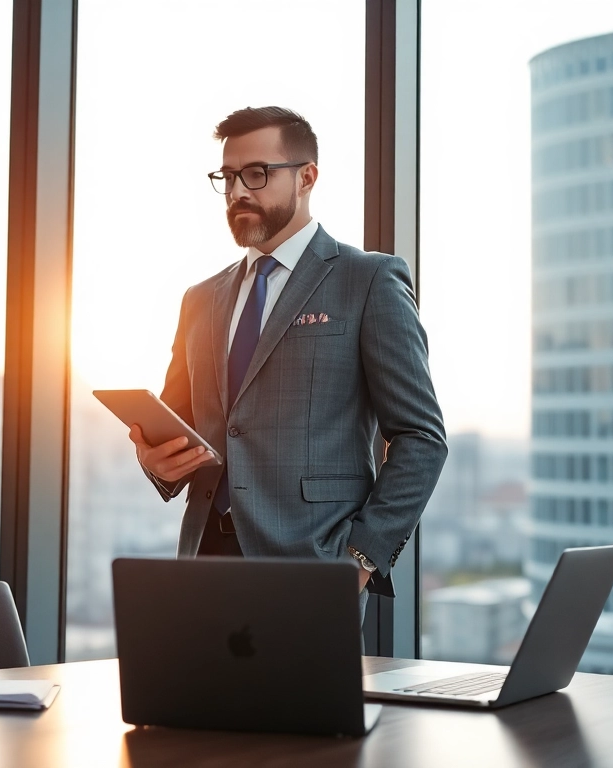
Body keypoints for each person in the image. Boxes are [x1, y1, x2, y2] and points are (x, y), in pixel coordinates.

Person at [130, 106, 446, 600]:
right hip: (202, 560)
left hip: (313, 563)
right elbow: (183, 425)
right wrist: (155, 461)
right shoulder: (199, 299)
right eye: (228, 177)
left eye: (256, 174)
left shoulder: (368, 281)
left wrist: (361, 558)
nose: (238, 191)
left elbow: (421, 437)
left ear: (306, 177)